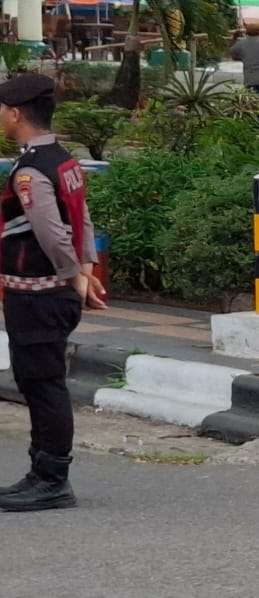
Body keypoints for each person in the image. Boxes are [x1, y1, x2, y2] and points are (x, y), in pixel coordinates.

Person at [0, 72, 106, 514]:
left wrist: (73, 274)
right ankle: (40, 473)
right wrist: (87, 266)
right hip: (47, 294)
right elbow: (81, 217)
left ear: (15, 114)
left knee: (43, 385)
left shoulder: (30, 171)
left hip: (38, 296)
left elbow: (50, 231)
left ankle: (52, 479)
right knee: (38, 382)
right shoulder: (63, 160)